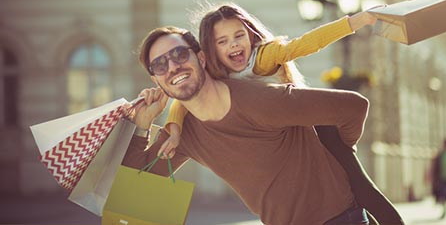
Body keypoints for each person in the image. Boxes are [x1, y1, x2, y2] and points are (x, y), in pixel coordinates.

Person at [158, 3, 402, 224]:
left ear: (250, 35)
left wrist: (355, 22)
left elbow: (308, 43)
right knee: (346, 196)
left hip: (316, 127)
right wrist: (175, 130)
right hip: (284, 139)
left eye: (238, 35)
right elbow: (181, 103)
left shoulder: (264, 56)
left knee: (359, 185)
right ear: (211, 50)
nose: (232, 44)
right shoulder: (214, 75)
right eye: (222, 41)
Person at [124, 25, 371, 224]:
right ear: (156, 79)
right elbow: (136, 185)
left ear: (200, 57)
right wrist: (142, 125)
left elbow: (354, 107)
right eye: (160, 64)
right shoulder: (183, 132)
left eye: (179, 54)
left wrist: (340, 152)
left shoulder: (260, 100)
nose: (173, 66)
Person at [429, 138, 446, 218]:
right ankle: (444, 211)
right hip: (442, 179)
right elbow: (435, 167)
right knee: (443, 196)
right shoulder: (440, 155)